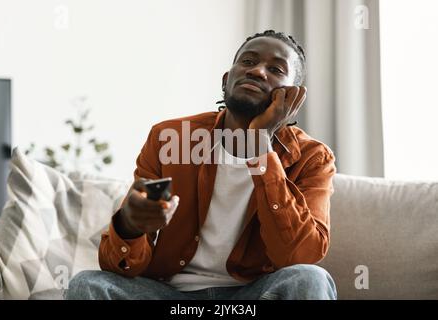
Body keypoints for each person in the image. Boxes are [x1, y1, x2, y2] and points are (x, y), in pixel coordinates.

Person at [65, 30, 337, 300]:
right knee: (88, 284)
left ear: (294, 97)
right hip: (170, 296)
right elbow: (120, 265)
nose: (257, 71)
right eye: (248, 62)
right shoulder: (170, 138)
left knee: (309, 279)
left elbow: (298, 255)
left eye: (276, 69)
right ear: (226, 80)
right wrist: (130, 227)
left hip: (252, 296)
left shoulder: (312, 158)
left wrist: (260, 144)